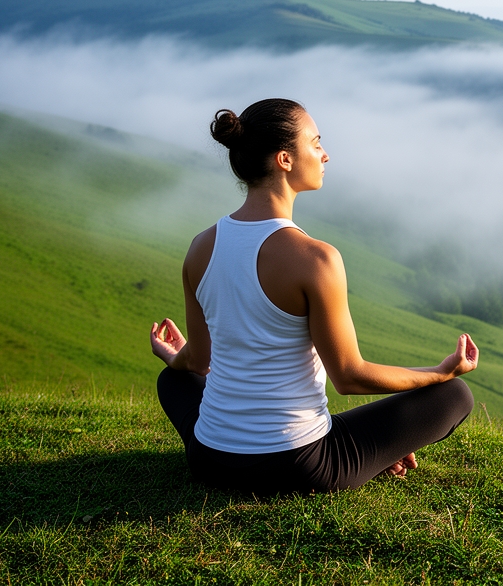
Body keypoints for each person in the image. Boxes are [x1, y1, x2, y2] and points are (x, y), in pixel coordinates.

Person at [151, 98, 477, 495]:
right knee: (454, 395)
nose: (325, 154)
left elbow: (197, 362)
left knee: (174, 379)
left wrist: (175, 358)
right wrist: (441, 373)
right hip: (299, 466)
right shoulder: (317, 259)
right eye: (316, 142)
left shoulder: (200, 247)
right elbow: (349, 376)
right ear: (285, 159)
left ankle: (365, 450)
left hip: (209, 459)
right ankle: (373, 454)